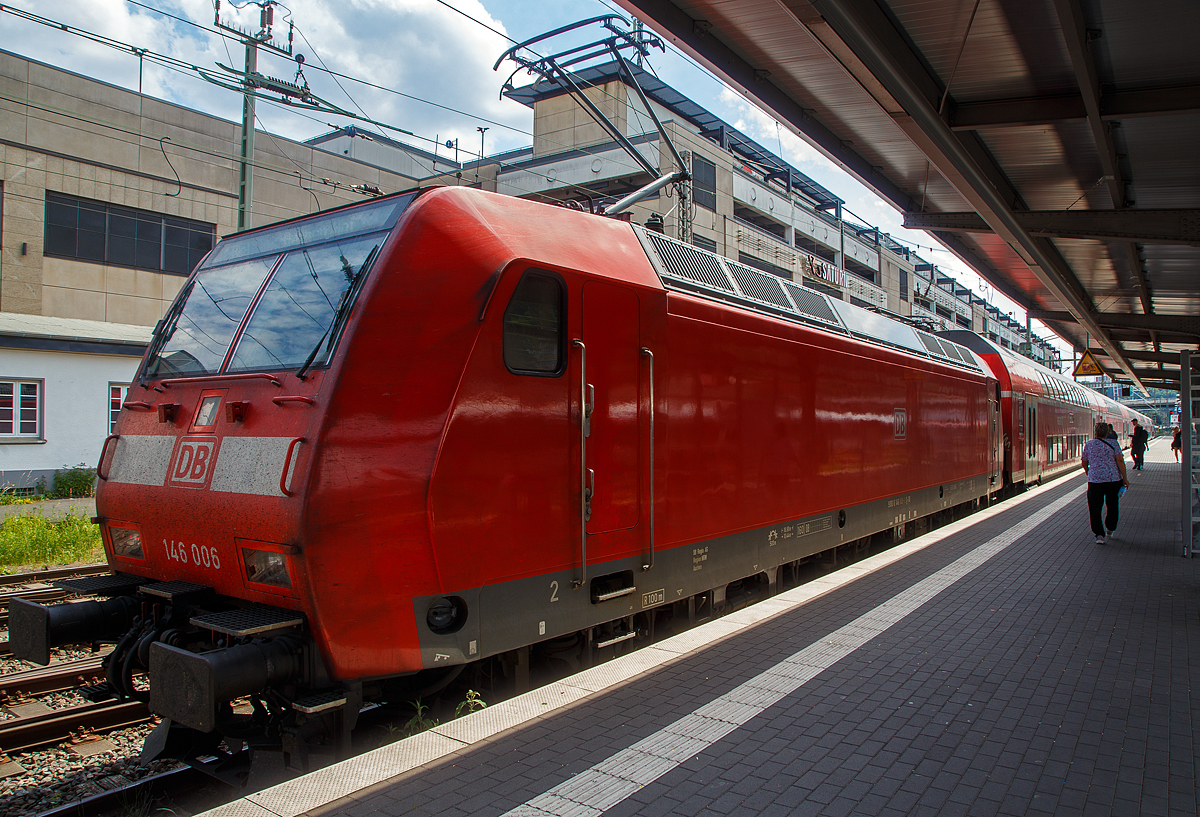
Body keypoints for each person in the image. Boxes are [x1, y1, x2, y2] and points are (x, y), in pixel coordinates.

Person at [1082, 422, 1129, 545]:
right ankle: (1111, 527)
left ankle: (1099, 535)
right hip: (1113, 480)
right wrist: (1125, 478)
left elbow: (1084, 462)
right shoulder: (1114, 444)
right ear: (1108, 432)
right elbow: (1120, 460)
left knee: (1095, 508)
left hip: (1095, 481)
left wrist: (1089, 472)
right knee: (1112, 505)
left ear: (1095, 432)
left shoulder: (1089, 444)